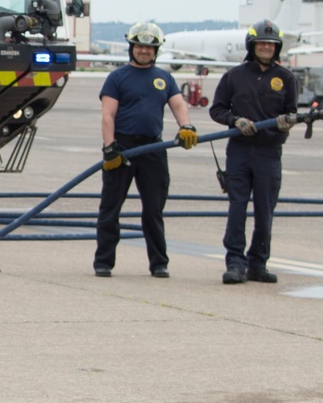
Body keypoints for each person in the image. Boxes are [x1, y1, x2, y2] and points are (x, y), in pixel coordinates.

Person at [93, 22, 197, 278]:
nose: (144, 51)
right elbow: (108, 116)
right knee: (110, 208)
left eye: (150, 47)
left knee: (153, 210)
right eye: (140, 46)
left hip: (153, 148)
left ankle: (159, 263)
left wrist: (187, 126)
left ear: (156, 51)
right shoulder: (117, 77)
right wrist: (110, 149)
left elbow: (178, 105)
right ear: (132, 47)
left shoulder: (164, 78)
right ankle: (103, 262)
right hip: (122, 148)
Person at [209, 19, 298, 285]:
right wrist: (235, 121)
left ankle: (258, 263)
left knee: (265, 210)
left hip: (269, 153)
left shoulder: (286, 78)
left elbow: (292, 113)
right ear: (252, 45)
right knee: (237, 207)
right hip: (239, 150)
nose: (266, 48)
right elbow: (217, 110)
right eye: (261, 43)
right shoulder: (234, 76)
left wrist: (286, 123)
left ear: (277, 48)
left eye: (271, 44)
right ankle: (235, 263)